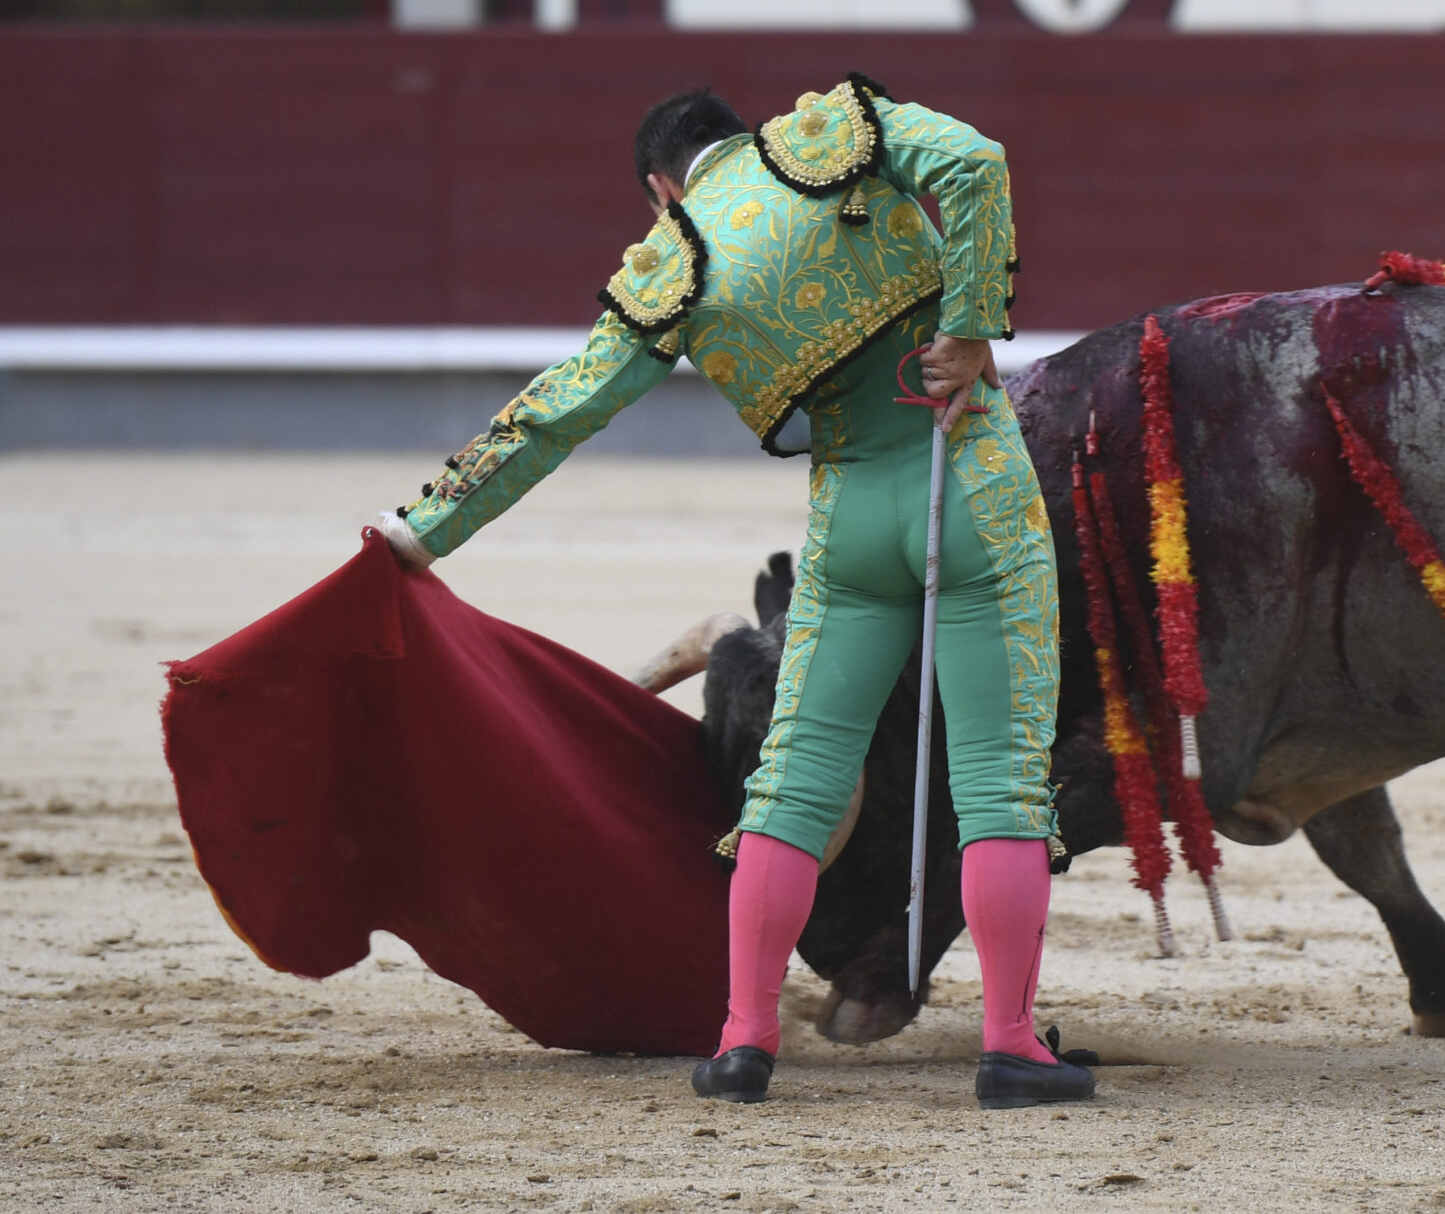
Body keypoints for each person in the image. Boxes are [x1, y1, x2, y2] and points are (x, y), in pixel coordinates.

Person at [375, 78, 1094, 1112]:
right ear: (738, 136)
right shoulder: (833, 136)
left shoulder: (674, 260)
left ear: (663, 190)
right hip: (970, 474)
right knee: (996, 782)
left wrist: (422, 527)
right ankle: (1010, 1049)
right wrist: (975, 328)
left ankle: (744, 1041)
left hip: (847, 516)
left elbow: (562, 409)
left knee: (794, 784)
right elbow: (975, 163)